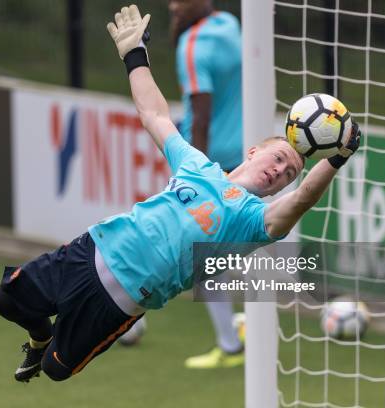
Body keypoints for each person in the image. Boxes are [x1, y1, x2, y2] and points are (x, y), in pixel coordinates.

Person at [0, 4, 361, 383]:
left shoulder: (253, 221)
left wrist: (338, 158)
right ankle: (40, 335)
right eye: (280, 158)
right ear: (254, 151)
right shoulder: (198, 166)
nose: (281, 171)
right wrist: (135, 56)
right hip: (91, 252)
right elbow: (156, 116)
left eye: (289, 174)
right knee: (3, 299)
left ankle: (49, 347)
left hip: (120, 303)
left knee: (55, 369)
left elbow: (302, 200)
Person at [169, 0, 246, 369]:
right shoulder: (230, 24)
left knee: (203, 259)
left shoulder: (193, 46)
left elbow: (201, 116)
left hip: (211, 163)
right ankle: (238, 334)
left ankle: (231, 345)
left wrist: (197, 177)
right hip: (245, 155)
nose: (172, 6)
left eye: (179, 0)